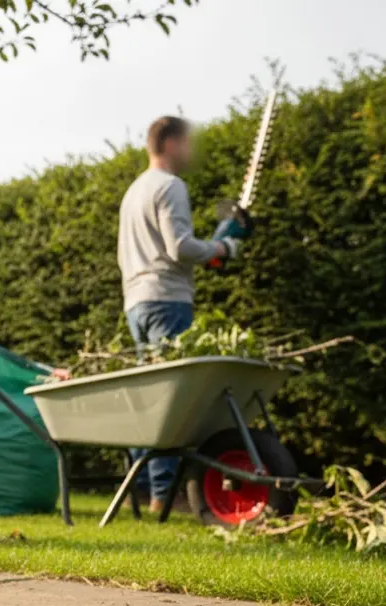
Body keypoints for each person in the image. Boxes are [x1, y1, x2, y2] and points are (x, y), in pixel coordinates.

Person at [116, 116, 240, 513]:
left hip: (136, 301)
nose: (191, 150)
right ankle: (162, 496)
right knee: (171, 403)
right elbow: (180, 247)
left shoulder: (134, 191)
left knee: (150, 399)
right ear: (170, 143)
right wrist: (221, 249)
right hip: (167, 298)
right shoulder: (170, 186)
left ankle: (141, 491)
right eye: (188, 142)